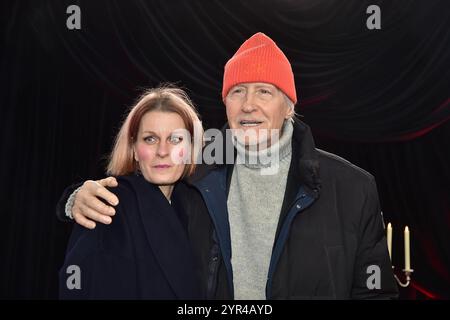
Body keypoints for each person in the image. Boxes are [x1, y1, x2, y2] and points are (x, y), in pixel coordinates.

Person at [57, 33, 398, 299]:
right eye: (237, 91)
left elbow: (376, 292)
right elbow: (137, 190)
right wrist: (75, 199)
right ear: (225, 103)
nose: (248, 105)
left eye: (264, 91)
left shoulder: (353, 188)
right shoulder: (195, 171)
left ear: (289, 105)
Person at [59, 86, 204, 299]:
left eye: (175, 139)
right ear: (134, 149)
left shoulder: (193, 205)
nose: (163, 151)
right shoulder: (109, 202)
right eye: (150, 139)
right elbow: (75, 284)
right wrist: (72, 200)